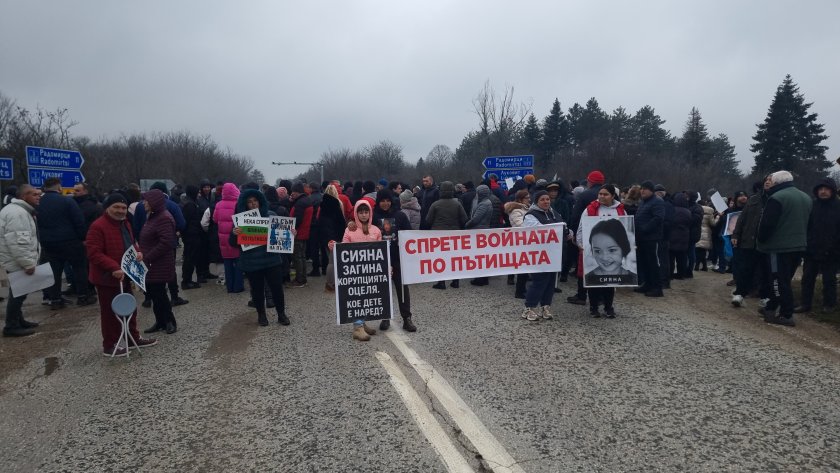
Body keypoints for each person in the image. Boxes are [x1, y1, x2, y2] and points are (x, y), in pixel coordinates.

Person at [85, 192, 158, 355]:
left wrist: (138, 252)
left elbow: (130, 243)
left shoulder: (125, 223)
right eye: (116, 207)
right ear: (107, 208)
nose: (120, 210)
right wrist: (113, 267)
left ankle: (132, 338)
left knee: (130, 308)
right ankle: (110, 345)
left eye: (123, 207)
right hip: (107, 278)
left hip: (125, 274)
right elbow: (93, 253)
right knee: (110, 312)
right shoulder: (98, 226)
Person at [756, 171, 812, 326]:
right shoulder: (806, 197)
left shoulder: (777, 198)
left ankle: (786, 314)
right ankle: (771, 307)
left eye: (772, 181)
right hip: (799, 245)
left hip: (778, 246)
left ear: (777, 183)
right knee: (784, 279)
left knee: (777, 281)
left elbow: (767, 224)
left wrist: (761, 239)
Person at [231, 189, 291, 326]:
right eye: (249, 202)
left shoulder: (271, 215)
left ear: (260, 201)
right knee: (257, 291)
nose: (253, 204)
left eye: (255, 201)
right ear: (245, 204)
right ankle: (261, 315)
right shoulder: (240, 220)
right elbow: (233, 243)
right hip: (252, 262)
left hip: (272, 260)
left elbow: (282, 237)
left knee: (277, 289)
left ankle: (281, 314)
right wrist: (234, 234)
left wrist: (290, 233)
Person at [37, 177, 96, 309]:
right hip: (71, 241)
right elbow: (78, 221)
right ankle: (83, 296)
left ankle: (55, 300)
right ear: (59, 188)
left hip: (48, 243)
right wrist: (83, 238)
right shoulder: (67, 201)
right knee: (79, 268)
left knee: (54, 272)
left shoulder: (38, 202)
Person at [328, 200, 382, 341]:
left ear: (370, 213)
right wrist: (335, 246)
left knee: (368, 297)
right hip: (355, 272)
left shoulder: (376, 230)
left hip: (371, 271)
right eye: (360, 212)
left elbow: (381, 252)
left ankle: (363, 323)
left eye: (366, 212)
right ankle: (357, 327)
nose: (363, 215)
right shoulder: (350, 230)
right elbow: (344, 248)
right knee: (357, 298)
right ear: (356, 214)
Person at [577, 185, 630, 317]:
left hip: (613, 252)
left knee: (610, 281)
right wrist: (580, 243)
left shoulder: (620, 210)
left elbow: (626, 229)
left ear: (613, 196)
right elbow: (582, 227)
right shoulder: (590, 209)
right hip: (596, 251)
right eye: (600, 194)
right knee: (594, 280)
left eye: (605, 194)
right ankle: (593, 307)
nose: (601, 196)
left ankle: (608, 307)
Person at [0, 185, 42, 337]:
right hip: (16, 260)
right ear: (24, 196)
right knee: (18, 294)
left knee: (19, 291)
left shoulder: (19, 210)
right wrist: (28, 263)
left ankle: (18, 320)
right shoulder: (18, 213)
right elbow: (18, 242)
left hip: (14, 258)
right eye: (34, 194)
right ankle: (11, 326)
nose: (38, 197)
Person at [372, 189, 416, 332]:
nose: (385, 203)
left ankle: (407, 318)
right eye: (382, 201)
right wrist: (351, 224)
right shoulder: (374, 216)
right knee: (383, 289)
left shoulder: (400, 215)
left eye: (388, 201)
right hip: (380, 259)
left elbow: (409, 235)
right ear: (378, 202)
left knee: (402, 289)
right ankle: (385, 317)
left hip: (398, 258)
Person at [795, 178, 840, 314]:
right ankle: (805, 303)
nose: (823, 191)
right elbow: (806, 226)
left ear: (832, 191)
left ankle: (829, 305)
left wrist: (835, 248)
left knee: (829, 280)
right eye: (820, 189)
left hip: (832, 251)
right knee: (807, 279)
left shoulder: (838, 206)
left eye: (826, 189)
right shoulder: (812, 205)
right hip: (812, 250)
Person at [520, 190, 566, 321]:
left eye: (547, 199)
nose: (546, 202)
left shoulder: (554, 213)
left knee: (551, 282)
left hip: (554, 254)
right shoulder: (531, 215)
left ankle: (545, 306)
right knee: (539, 281)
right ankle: (529, 308)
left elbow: (562, 225)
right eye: (542, 199)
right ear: (536, 202)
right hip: (539, 254)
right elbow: (539, 231)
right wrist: (558, 229)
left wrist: (568, 232)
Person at [138, 189, 179, 334]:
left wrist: (148, 257)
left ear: (154, 202)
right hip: (151, 263)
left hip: (159, 263)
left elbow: (166, 242)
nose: (144, 203)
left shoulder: (163, 218)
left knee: (160, 294)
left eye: (146, 200)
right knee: (154, 294)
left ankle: (169, 321)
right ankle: (160, 321)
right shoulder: (153, 216)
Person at [567, 170, 605, 306]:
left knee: (583, 265)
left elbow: (576, 215)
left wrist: (574, 233)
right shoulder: (610, 195)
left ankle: (581, 295)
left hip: (587, 235)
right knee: (601, 266)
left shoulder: (584, 195)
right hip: (605, 235)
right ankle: (601, 297)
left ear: (589, 181)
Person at [730, 179, 767, 307]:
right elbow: (742, 219)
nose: (768, 183)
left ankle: (763, 295)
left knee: (763, 270)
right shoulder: (753, 200)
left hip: (766, 242)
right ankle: (740, 293)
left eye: (771, 181)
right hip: (748, 240)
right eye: (766, 180)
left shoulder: (775, 199)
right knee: (745, 268)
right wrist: (736, 234)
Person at [426, 181, 468, 290]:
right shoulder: (457, 204)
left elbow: (428, 220)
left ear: (441, 191)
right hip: (454, 234)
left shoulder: (435, 204)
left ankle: (441, 282)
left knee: (440, 259)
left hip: (438, 235)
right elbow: (464, 219)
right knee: (454, 259)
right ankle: (455, 281)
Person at [634, 180, 666, 297]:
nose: (642, 191)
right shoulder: (643, 202)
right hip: (641, 238)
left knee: (653, 263)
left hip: (652, 238)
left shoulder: (657, 201)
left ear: (651, 190)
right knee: (645, 263)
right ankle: (647, 284)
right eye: (641, 188)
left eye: (645, 189)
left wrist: (645, 228)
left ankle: (657, 288)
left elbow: (658, 218)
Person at [212, 183, 245, 293]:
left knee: (227, 263)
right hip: (235, 236)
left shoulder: (218, 204)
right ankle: (238, 286)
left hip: (223, 239)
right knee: (238, 263)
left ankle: (230, 287)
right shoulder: (238, 204)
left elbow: (215, 219)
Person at [320, 185, 348, 292]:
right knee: (337, 260)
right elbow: (341, 220)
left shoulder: (322, 204)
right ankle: (337, 281)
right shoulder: (338, 203)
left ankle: (329, 283)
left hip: (326, 234)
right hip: (337, 234)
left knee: (330, 261)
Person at [504, 189, 531, 298]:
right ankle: (520, 291)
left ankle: (522, 289)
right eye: (527, 198)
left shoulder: (525, 208)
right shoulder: (516, 211)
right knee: (523, 267)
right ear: (520, 199)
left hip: (526, 240)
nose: (529, 199)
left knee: (525, 266)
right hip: (520, 241)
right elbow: (520, 226)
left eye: (529, 197)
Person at [465, 185, 493, 286]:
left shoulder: (484, 204)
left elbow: (476, 219)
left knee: (480, 256)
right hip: (482, 230)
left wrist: (467, 225)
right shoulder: (485, 202)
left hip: (480, 231)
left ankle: (481, 279)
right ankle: (482, 278)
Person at [288, 183, 313, 288]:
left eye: (293, 192)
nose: (292, 194)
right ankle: (302, 278)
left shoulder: (300, 203)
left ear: (297, 192)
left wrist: (292, 228)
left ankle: (300, 280)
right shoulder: (307, 200)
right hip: (304, 233)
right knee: (302, 257)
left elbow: (297, 220)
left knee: (297, 257)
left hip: (297, 234)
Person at [180, 185, 203, 290]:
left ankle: (188, 279)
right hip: (191, 236)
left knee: (190, 258)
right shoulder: (190, 205)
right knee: (189, 258)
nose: (199, 195)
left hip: (191, 235)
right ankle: (186, 281)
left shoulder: (189, 202)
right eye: (197, 192)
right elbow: (187, 221)